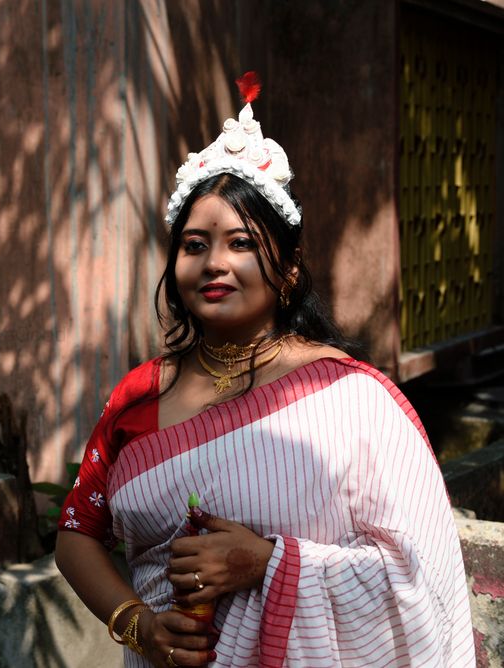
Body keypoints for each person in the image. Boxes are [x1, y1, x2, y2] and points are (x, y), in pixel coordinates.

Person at [54, 73, 474, 667]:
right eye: (194, 245)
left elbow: (418, 572)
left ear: (291, 267)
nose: (214, 263)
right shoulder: (142, 392)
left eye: (242, 243)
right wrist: (139, 625)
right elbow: (76, 534)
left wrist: (266, 563)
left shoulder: (351, 396)